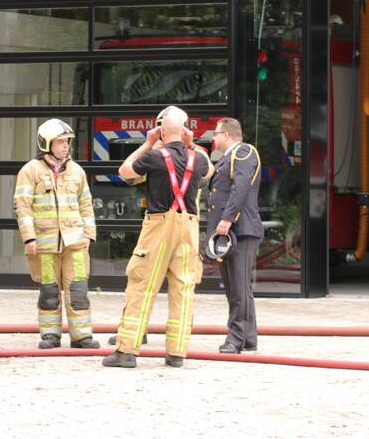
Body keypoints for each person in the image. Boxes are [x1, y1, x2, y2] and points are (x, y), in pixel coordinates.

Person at [103, 106, 210, 369]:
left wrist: (148, 142)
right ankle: (176, 354)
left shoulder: (154, 156)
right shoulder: (199, 159)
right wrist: (190, 143)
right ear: (185, 130)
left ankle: (126, 351)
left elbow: (125, 170)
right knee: (183, 289)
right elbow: (209, 174)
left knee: (142, 284)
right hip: (189, 229)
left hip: (160, 226)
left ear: (162, 129)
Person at [14, 118, 100, 350]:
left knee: (78, 290)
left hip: (76, 244)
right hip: (45, 244)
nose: (65, 146)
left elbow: (86, 205)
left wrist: (89, 236)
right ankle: (50, 335)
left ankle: (82, 335)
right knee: (49, 291)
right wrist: (29, 237)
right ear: (47, 143)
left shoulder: (76, 171)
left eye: (67, 142)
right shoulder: (30, 171)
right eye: (60, 142)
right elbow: (22, 206)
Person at [207, 118, 264, 354]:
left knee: (238, 287)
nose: (213, 138)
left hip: (241, 229)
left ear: (227, 135)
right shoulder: (225, 159)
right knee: (236, 287)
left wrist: (228, 218)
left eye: (216, 133)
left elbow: (240, 187)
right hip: (232, 230)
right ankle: (248, 338)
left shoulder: (243, 152)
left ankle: (235, 338)